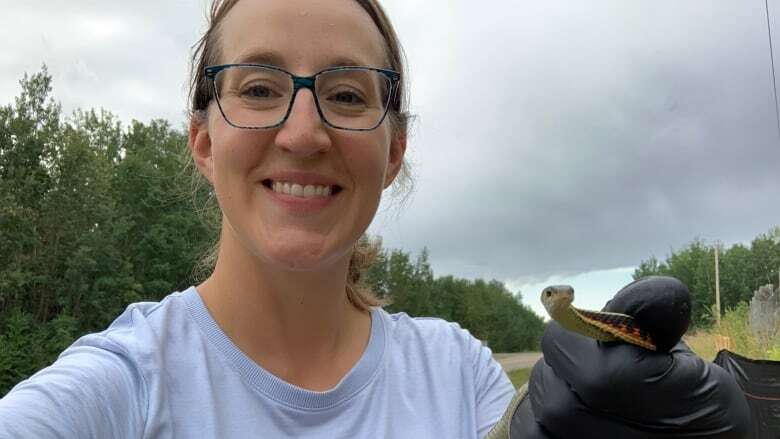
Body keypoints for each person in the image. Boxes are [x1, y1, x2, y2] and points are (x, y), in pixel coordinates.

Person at [0, 0, 517, 437]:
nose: (302, 134)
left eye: (346, 96)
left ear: (393, 153)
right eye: (259, 89)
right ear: (203, 142)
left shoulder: (459, 375)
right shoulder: (120, 388)